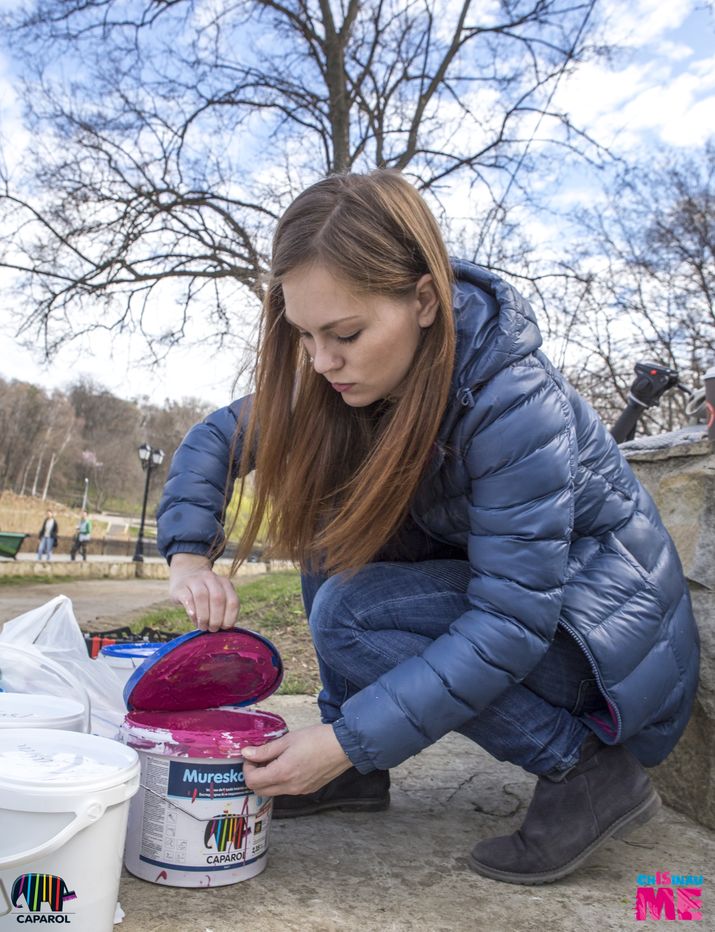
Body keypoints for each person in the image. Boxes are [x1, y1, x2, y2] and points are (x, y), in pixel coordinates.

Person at [156, 169, 700, 885]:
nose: (322, 362)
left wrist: (345, 740)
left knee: (353, 613)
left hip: (606, 650)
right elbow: (216, 436)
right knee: (331, 494)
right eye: (305, 336)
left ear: (421, 299)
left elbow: (510, 621)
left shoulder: (514, 403)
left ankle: (586, 770)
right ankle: (355, 775)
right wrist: (189, 553)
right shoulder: (347, 381)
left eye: (345, 333)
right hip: (538, 622)